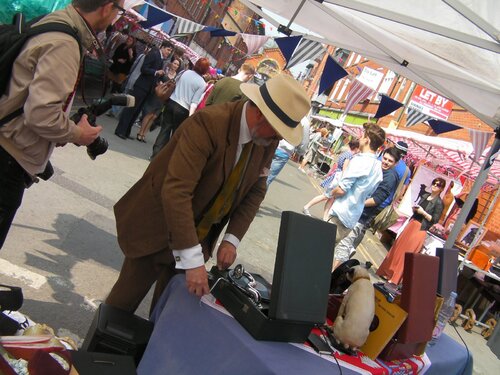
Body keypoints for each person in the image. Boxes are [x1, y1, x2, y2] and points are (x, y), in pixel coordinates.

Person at [105, 74, 311, 313]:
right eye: (276, 133)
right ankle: (96, 348)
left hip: (196, 234)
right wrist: (192, 262)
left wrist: (231, 240)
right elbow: (177, 191)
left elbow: (256, 191)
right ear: (260, 114)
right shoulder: (209, 123)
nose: (277, 140)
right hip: (158, 225)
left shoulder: (266, 137)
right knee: (120, 306)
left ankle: (146, 347)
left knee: (168, 314)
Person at [0, 0, 124, 249]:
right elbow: (41, 115)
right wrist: (78, 133)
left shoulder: (57, 23)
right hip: (7, 161)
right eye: (118, 11)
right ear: (106, 7)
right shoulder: (66, 42)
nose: (116, 19)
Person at [326, 123, 386, 270]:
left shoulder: (360, 161)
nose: (359, 137)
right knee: (326, 253)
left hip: (341, 212)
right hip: (352, 216)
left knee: (317, 252)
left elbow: (342, 189)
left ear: (367, 140)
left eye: (362, 135)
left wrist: (330, 193)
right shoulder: (378, 167)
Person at [334, 147, 400, 262]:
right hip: (354, 212)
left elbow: (376, 200)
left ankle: (334, 273)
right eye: (385, 158)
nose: (386, 162)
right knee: (339, 242)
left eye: (390, 161)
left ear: (396, 163)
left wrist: (356, 202)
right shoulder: (378, 168)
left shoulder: (390, 177)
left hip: (361, 215)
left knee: (343, 247)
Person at [376, 177, 446, 284]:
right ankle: (387, 272)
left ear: (442, 189)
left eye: (438, 185)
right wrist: (415, 209)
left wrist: (423, 212)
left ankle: (395, 278)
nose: (435, 186)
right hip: (411, 224)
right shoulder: (425, 195)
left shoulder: (439, 203)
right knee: (398, 248)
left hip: (420, 229)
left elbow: (434, 220)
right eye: (434, 183)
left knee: (407, 252)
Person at [150, 57, 210, 158]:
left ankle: (155, 154)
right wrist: (191, 117)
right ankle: (166, 158)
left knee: (164, 129)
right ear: (205, 70)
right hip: (183, 109)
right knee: (176, 135)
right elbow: (194, 102)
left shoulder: (185, 72)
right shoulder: (202, 84)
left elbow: (174, 84)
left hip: (172, 102)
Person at [114, 40, 173, 139]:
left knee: (136, 111)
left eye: (170, 51)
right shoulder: (154, 53)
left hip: (148, 89)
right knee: (131, 108)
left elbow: (160, 75)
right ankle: (120, 130)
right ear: (162, 47)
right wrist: (155, 72)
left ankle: (126, 131)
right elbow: (144, 69)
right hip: (141, 86)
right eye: (168, 49)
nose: (169, 52)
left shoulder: (161, 58)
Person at [302, 139, 360, 219]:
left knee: (330, 198)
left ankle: (325, 217)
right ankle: (307, 207)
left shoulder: (345, 153)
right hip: (338, 178)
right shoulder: (349, 156)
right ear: (356, 148)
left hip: (336, 176)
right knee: (326, 196)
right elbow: (345, 169)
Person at [135, 58, 181, 142]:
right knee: (149, 114)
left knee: (154, 117)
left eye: (177, 65)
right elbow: (156, 79)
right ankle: (140, 133)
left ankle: (144, 134)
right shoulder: (164, 71)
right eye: (175, 63)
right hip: (157, 95)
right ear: (171, 63)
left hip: (164, 98)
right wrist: (160, 83)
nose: (175, 66)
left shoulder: (177, 77)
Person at [266, 117, 310, 187]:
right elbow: (304, 142)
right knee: (267, 178)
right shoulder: (304, 121)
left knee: (255, 172)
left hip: (270, 142)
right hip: (284, 151)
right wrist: (299, 153)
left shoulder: (285, 107)